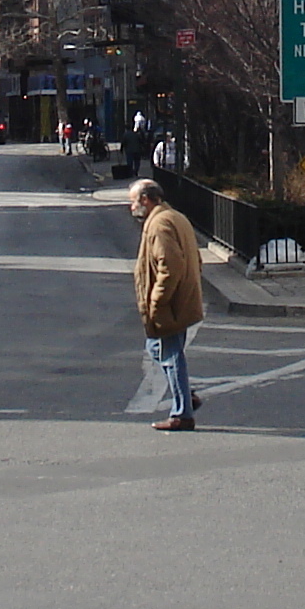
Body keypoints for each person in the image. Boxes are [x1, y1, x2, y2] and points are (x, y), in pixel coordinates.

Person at [127, 179, 205, 432]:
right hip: (182, 297)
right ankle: (186, 395)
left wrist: (157, 302)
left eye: (133, 202)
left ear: (146, 200)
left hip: (171, 303)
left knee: (170, 354)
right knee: (159, 349)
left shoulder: (160, 224)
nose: (131, 207)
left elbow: (169, 267)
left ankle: (182, 413)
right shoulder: (174, 217)